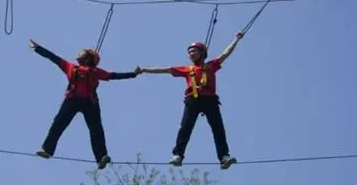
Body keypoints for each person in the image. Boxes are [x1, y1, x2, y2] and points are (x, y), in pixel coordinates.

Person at [29, 39, 140, 169]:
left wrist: (133, 74)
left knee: (96, 129)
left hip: (90, 103)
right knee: (58, 123)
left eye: (82, 53)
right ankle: (47, 150)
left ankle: (101, 157)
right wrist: (38, 48)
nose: (79, 54)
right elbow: (54, 58)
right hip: (72, 100)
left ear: (87, 58)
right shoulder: (72, 67)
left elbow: (114, 75)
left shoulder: (95, 72)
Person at [138, 32, 244, 169]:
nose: (191, 54)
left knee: (218, 129)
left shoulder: (211, 65)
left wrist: (236, 39)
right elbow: (166, 70)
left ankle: (224, 157)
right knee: (186, 127)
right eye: (189, 52)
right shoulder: (187, 69)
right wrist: (145, 70)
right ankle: (178, 155)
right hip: (192, 100)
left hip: (210, 100)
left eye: (194, 51)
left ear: (202, 52)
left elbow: (225, 54)